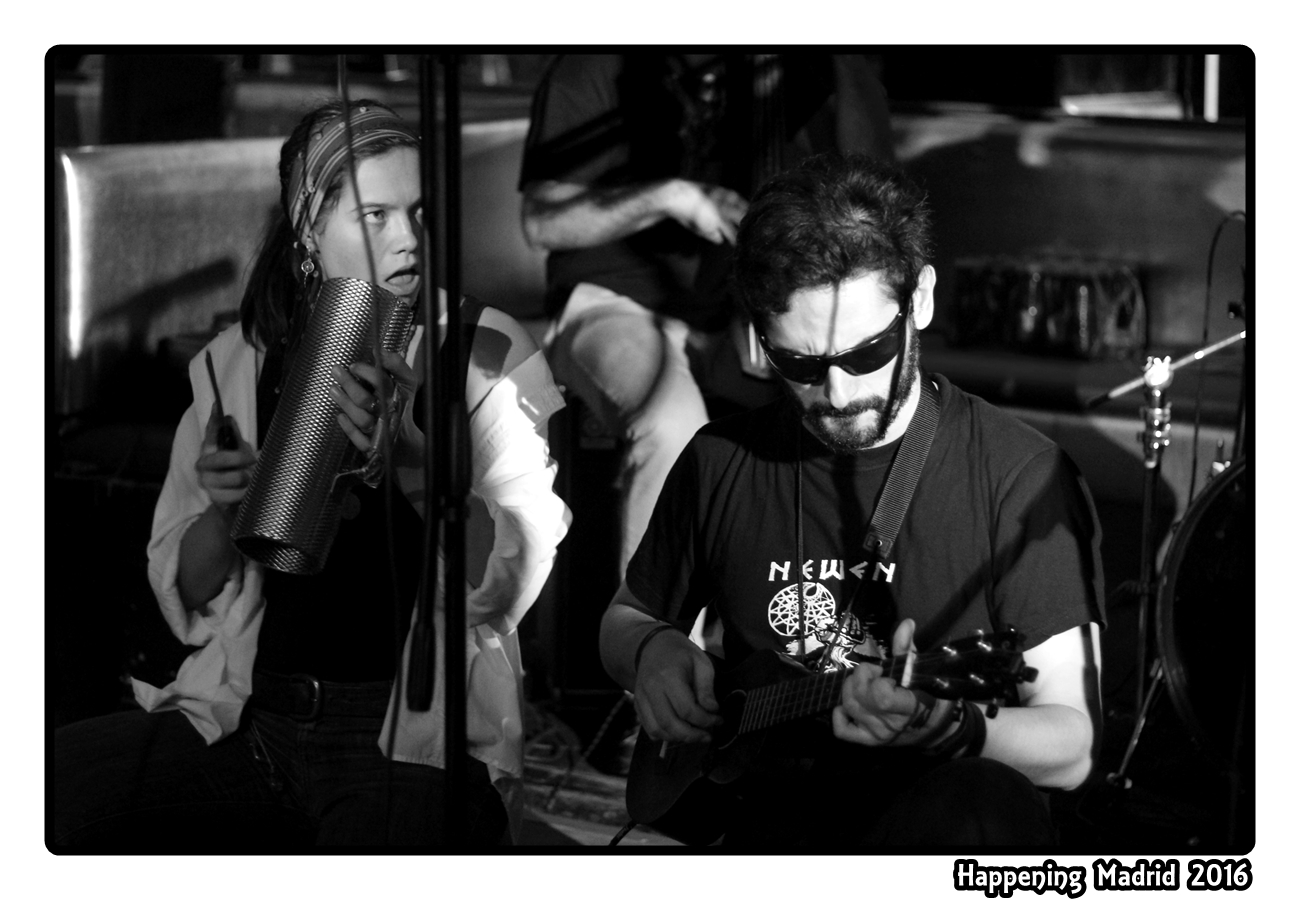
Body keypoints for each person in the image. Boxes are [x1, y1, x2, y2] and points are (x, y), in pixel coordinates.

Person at [51, 100, 571, 849]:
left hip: (403, 733)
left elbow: (511, 583)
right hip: (252, 717)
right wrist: (225, 512)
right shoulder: (241, 358)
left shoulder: (482, 353)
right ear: (308, 232)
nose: (409, 238)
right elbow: (186, 588)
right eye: (376, 216)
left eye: (420, 212)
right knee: (51, 793)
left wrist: (411, 460)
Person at [599, 153, 1105, 848]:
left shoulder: (1020, 476)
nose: (836, 395)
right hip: (763, 818)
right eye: (799, 364)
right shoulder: (721, 459)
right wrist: (650, 651)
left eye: (867, 355)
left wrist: (950, 728)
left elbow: (1074, 743)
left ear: (920, 301)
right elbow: (625, 617)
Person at [519, 54, 894, 581]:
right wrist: (670, 197)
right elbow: (542, 222)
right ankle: (650, 623)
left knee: (844, 418)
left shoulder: (774, 64)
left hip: (732, 315)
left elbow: (874, 187)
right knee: (671, 425)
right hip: (609, 302)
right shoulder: (594, 64)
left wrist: (842, 57)